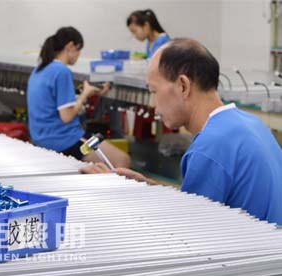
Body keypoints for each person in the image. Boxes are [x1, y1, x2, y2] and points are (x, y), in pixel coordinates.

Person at [83, 39, 282, 225]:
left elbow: (187, 230)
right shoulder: (251, 124)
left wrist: (118, 196)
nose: (152, 104)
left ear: (183, 86)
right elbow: (197, 206)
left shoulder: (209, 148)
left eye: (153, 91)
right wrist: (146, 187)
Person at [27, 27, 131, 168]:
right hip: (64, 140)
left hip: (41, 138)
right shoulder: (62, 71)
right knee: (122, 160)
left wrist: (87, 92)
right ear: (70, 46)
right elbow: (67, 116)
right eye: (78, 50)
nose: (78, 55)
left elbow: (53, 102)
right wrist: (84, 95)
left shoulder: (39, 69)